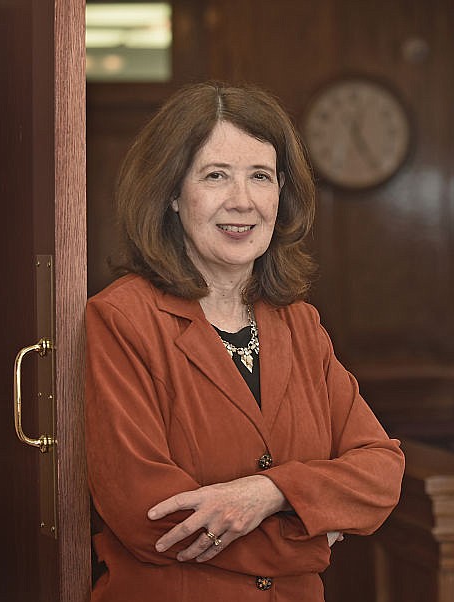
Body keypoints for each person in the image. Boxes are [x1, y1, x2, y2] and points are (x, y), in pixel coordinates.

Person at [85, 81, 405, 601]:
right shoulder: (123, 319)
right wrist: (311, 533)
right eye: (215, 176)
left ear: (281, 192)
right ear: (171, 193)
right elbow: (149, 517)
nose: (242, 201)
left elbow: (380, 472)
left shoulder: (301, 324)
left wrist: (271, 492)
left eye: (260, 176)